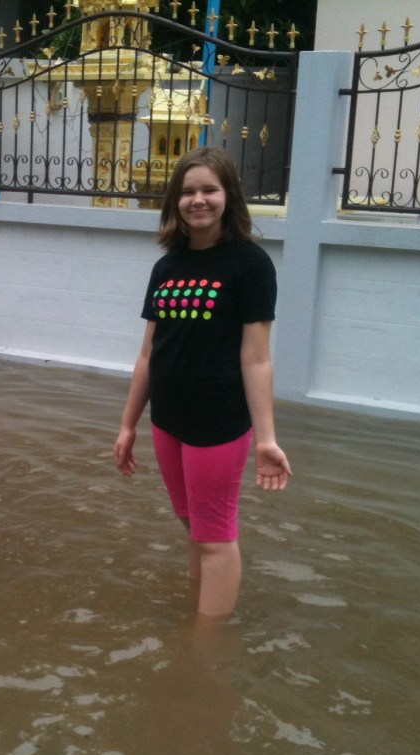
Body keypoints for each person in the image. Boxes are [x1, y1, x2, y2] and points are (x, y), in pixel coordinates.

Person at [113, 146, 292, 619]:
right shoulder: (166, 267)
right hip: (167, 420)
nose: (198, 200)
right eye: (188, 191)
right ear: (175, 201)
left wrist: (266, 439)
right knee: (190, 521)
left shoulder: (250, 264)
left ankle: (207, 645)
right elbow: (149, 353)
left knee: (215, 536)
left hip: (219, 423)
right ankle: (196, 614)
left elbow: (256, 359)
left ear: (228, 196)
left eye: (209, 190)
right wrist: (128, 424)